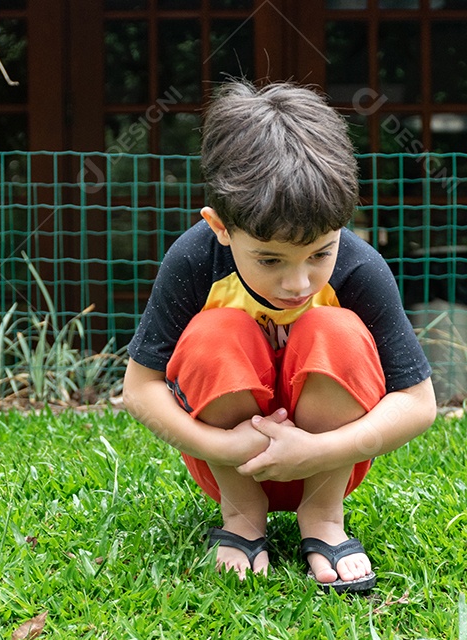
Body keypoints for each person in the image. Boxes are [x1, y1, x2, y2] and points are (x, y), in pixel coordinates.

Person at [123, 80, 436, 593]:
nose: (298, 283)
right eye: (269, 259)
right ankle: (242, 517)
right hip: (228, 458)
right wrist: (219, 445)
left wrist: (322, 450)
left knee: (335, 327)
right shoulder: (195, 259)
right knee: (214, 332)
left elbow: (419, 404)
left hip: (332, 458)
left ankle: (323, 520)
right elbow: (139, 389)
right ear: (220, 226)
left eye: (319, 253)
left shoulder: (362, 268)